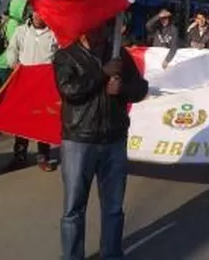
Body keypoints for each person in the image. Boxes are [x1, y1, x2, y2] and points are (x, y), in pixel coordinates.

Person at [55, 21, 149, 260]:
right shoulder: (66, 56)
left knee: (113, 208)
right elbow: (70, 90)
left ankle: (112, 253)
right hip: (79, 140)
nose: (100, 32)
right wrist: (102, 73)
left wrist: (123, 89)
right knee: (73, 208)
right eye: (94, 27)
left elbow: (140, 89)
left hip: (113, 139)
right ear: (82, 28)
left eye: (104, 27)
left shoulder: (119, 55)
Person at [5, 6, 59, 171]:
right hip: (25, 83)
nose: (38, 16)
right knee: (22, 120)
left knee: (42, 120)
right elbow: (12, 49)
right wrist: (13, 63)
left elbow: (62, 54)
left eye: (42, 13)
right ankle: (19, 156)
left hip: (44, 84)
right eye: (36, 12)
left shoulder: (54, 34)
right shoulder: (21, 31)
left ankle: (43, 157)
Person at [0, 0, 29, 84]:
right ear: (17, 9)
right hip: (6, 63)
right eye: (24, 9)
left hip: (2, 61)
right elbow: (16, 44)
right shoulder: (14, 24)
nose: (26, 11)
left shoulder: (12, 20)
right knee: (7, 91)